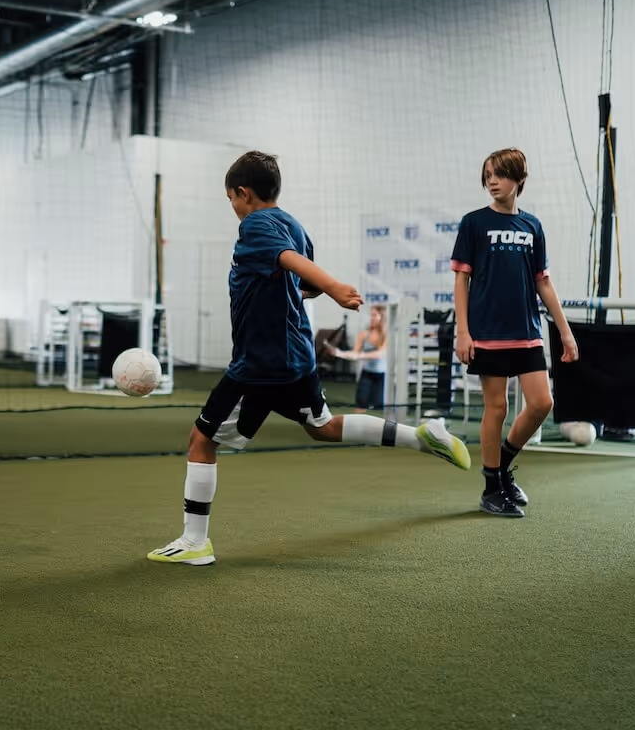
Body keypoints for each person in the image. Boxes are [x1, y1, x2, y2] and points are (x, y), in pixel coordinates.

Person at [148, 152, 471, 566]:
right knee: (322, 426)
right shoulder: (292, 223)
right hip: (296, 354)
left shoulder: (257, 224)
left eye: (231, 198)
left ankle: (195, 543)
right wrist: (301, 291)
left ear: (243, 194)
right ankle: (422, 436)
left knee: (202, 440)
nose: (232, 206)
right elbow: (304, 280)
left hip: (260, 363)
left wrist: (335, 286)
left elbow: (293, 263)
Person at [451, 148, 578, 518]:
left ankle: (501, 467)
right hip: (487, 332)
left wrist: (565, 334)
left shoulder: (532, 226)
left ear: (518, 180)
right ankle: (492, 489)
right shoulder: (473, 223)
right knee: (497, 407)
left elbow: (545, 284)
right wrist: (463, 331)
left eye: (500, 175)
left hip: (527, 331)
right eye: (488, 175)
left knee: (542, 403)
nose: (492, 181)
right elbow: (461, 280)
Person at [328, 304, 388, 412]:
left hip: (383, 376)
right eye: (370, 315)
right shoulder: (364, 334)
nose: (371, 318)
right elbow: (354, 353)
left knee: (380, 407)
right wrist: (339, 353)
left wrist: (360, 355)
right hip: (367, 374)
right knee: (361, 405)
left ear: (382, 317)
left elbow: (380, 354)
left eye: (374, 315)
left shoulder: (387, 335)